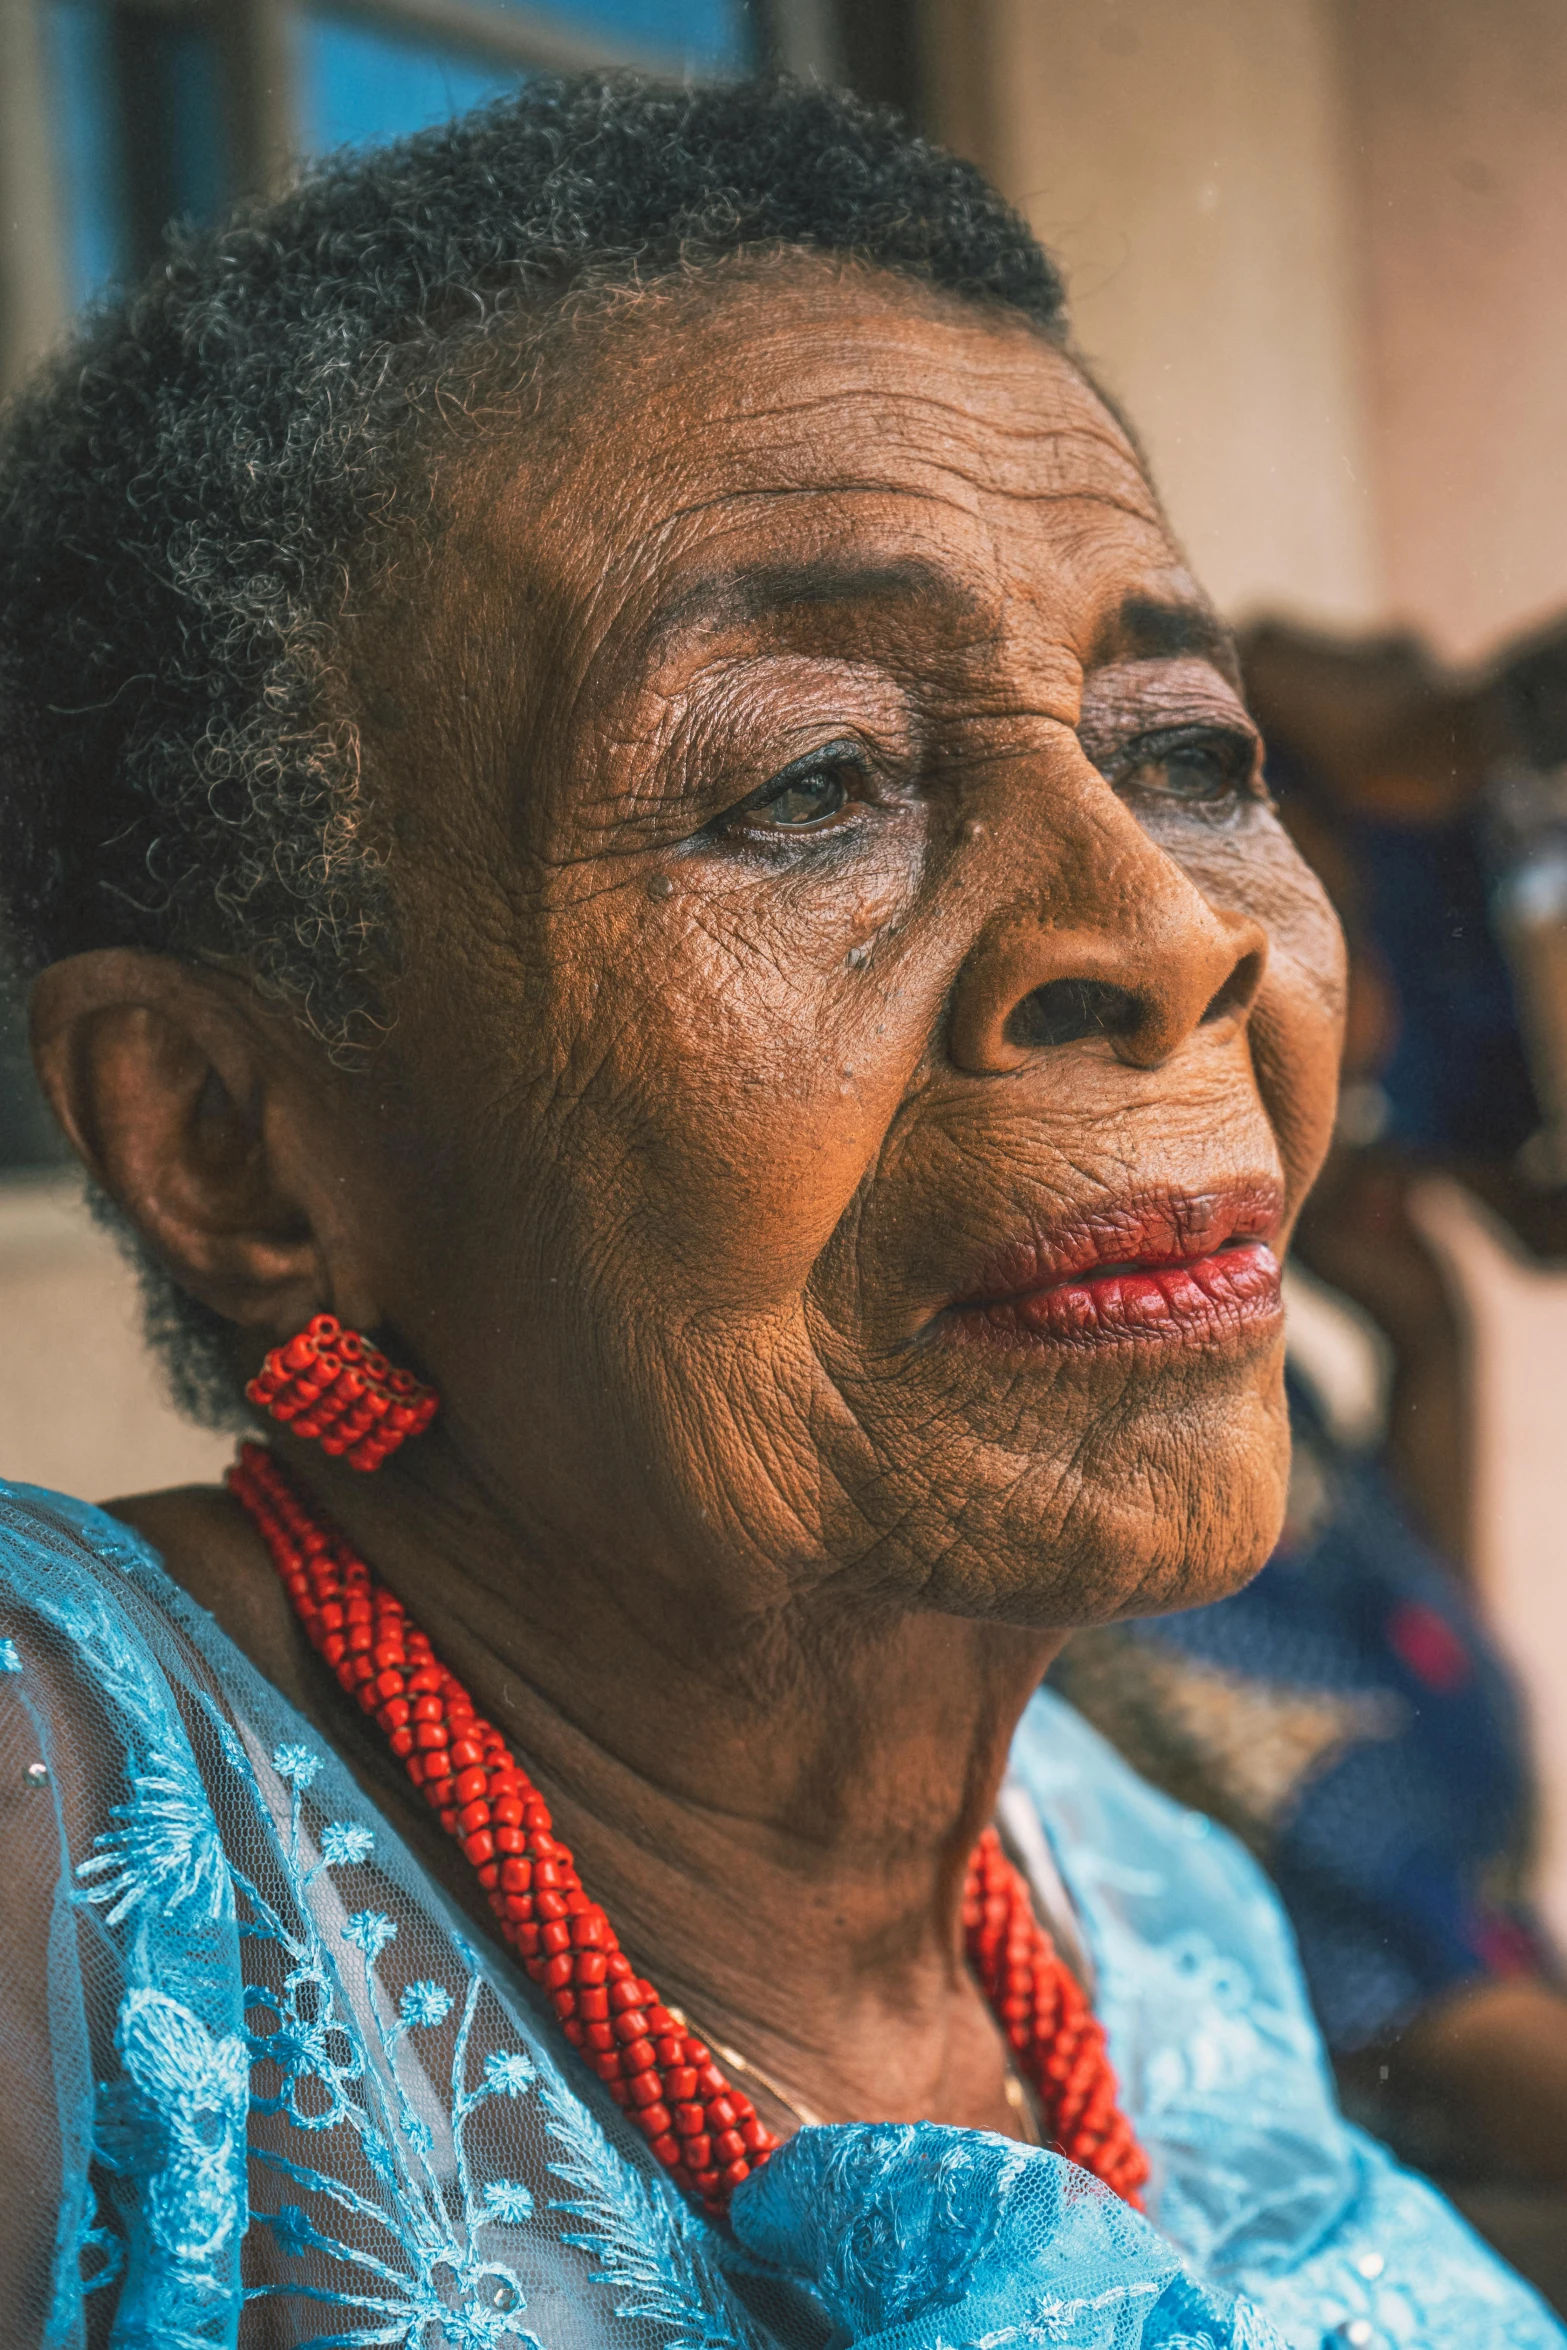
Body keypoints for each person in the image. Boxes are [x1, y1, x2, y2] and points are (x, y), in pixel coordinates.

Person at [0, 75, 1557, 2350]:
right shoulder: (77, 1841)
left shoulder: (1150, 1899)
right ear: (227, 1140)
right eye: (810, 780)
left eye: (1186, 752)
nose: (1165, 924)